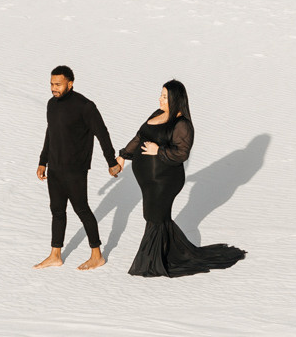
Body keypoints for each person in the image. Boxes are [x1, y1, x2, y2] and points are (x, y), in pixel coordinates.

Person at [120, 79, 246, 277]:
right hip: (149, 181)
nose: (160, 99)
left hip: (166, 180)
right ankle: (171, 254)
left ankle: (150, 263)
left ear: (175, 99)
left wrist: (157, 150)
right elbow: (139, 137)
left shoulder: (182, 125)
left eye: (164, 96)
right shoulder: (157, 115)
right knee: (155, 217)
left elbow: (182, 153)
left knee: (155, 217)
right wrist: (123, 156)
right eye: (160, 95)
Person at [34, 66, 121, 270]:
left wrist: (111, 162)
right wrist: (42, 160)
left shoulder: (85, 106)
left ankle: (97, 255)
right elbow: (51, 133)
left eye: (58, 84)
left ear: (70, 83)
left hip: (75, 169)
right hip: (55, 166)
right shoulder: (51, 105)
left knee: (81, 209)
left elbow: (102, 133)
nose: (53, 88)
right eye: (51, 84)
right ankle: (55, 254)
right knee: (57, 211)